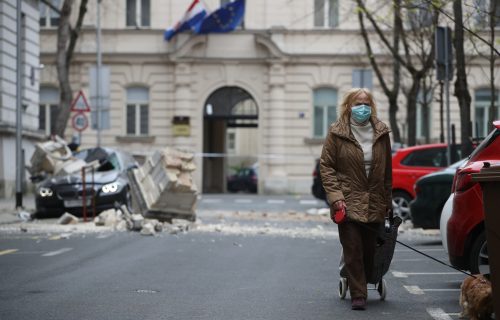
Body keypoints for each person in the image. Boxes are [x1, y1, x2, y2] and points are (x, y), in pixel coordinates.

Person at [319, 88, 392, 310]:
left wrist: (388, 200)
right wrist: (335, 197)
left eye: (366, 103)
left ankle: (363, 280)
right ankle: (358, 294)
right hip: (347, 200)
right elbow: (326, 166)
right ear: (348, 106)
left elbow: (387, 169)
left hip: (374, 200)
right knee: (353, 248)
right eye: (358, 103)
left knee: (370, 250)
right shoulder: (337, 132)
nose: (362, 107)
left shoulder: (381, 131)